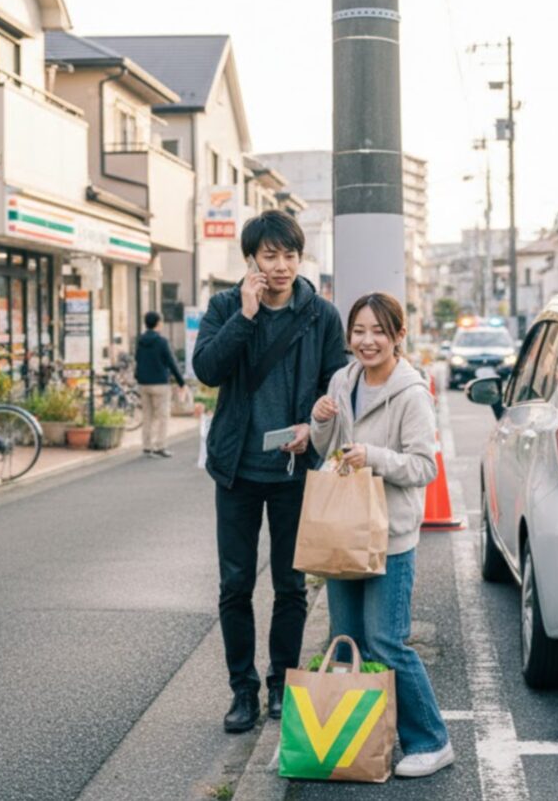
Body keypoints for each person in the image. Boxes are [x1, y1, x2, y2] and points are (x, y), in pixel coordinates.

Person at [191, 210, 347, 734]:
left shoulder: (321, 315)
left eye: (289, 254)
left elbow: (336, 384)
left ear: (300, 257)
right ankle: (242, 690)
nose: (281, 266)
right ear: (252, 260)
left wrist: (312, 425)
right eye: (270, 255)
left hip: (293, 469)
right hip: (236, 469)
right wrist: (247, 315)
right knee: (235, 585)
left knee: (290, 585)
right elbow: (208, 370)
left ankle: (282, 683)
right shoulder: (224, 306)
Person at [310, 292, 454, 779]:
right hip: (345, 530)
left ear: (398, 336)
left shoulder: (411, 393)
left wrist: (373, 456)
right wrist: (320, 420)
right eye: (358, 331)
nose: (366, 341)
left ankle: (432, 740)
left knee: (387, 642)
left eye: (377, 332)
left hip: (389, 535)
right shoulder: (342, 379)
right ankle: (360, 740)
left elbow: (422, 468)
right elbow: (326, 450)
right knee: (347, 638)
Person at [134, 310, 186, 458]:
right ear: (158, 323)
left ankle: (146, 446)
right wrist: (181, 382)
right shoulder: (162, 342)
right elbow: (171, 362)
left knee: (147, 415)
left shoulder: (140, 340)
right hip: (160, 384)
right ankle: (160, 446)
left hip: (143, 383)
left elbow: (137, 359)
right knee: (162, 416)